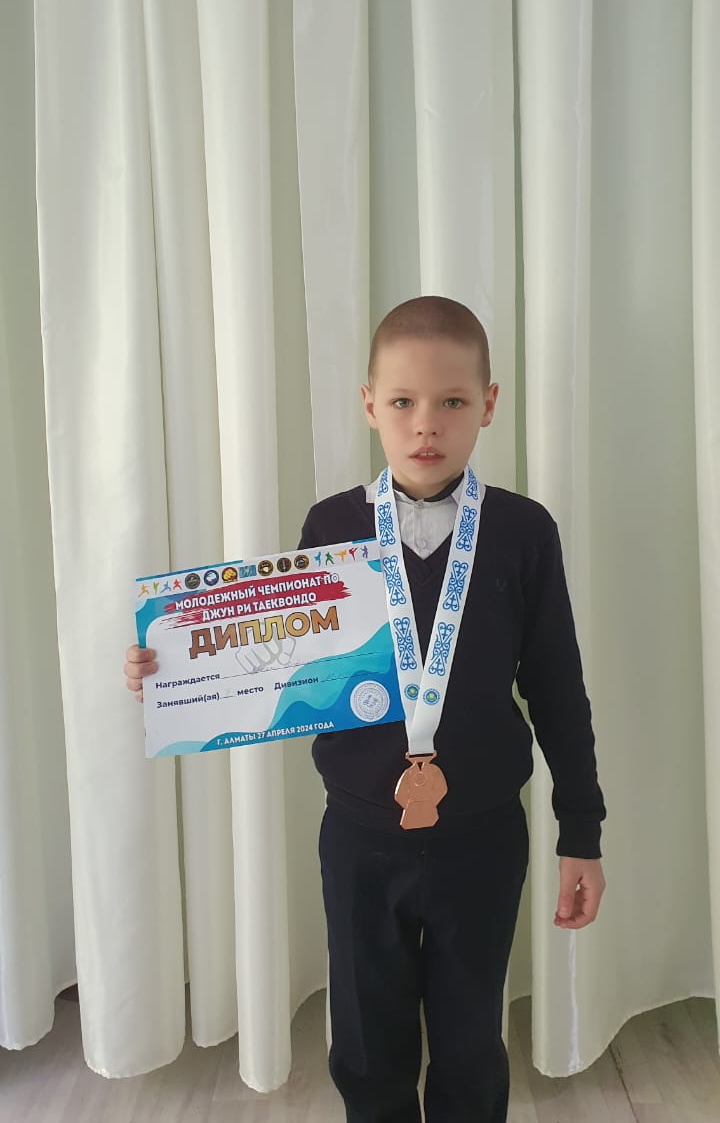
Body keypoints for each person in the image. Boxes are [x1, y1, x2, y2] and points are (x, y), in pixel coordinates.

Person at [125, 296, 606, 1123]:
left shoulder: (524, 532)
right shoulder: (334, 527)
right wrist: (170, 667)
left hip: (483, 839)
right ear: (369, 405)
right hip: (358, 840)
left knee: (470, 1044)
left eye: (452, 401)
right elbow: (276, 661)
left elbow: (559, 689)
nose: (427, 424)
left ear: (489, 404)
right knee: (365, 1046)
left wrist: (582, 832)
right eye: (403, 401)